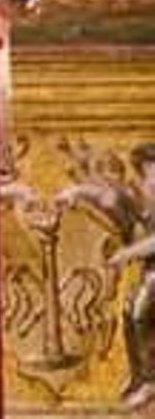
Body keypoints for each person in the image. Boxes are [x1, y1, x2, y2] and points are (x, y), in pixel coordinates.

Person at [56, 142, 155, 410]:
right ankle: (140, 377)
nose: (150, 181)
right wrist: (77, 191)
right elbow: (110, 196)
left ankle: (150, 381)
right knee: (129, 311)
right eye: (147, 174)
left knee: (139, 311)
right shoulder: (143, 194)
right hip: (150, 270)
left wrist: (127, 254)